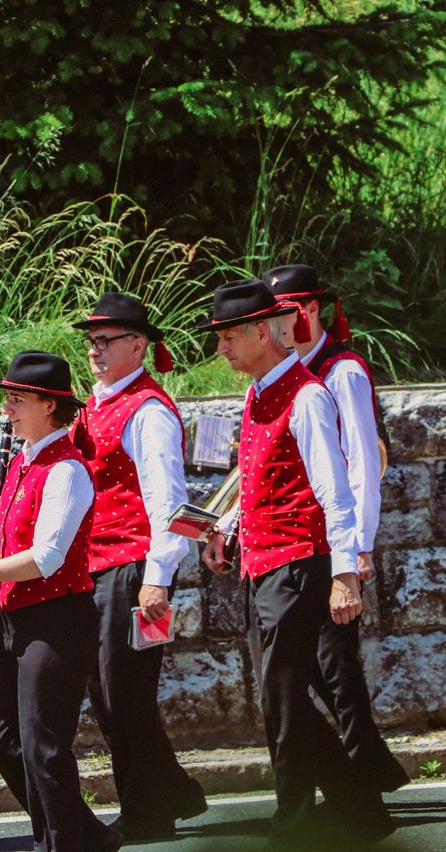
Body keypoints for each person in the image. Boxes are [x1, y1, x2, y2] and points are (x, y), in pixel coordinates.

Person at [198, 280, 393, 843]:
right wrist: (227, 530)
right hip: (265, 564)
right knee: (277, 696)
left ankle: (294, 820)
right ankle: (363, 808)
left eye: (230, 336)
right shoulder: (259, 392)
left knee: (282, 700)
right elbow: (258, 482)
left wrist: (345, 574)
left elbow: (336, 492)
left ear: (263, 332)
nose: (222, 349)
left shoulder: (307, 396)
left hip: (299, 563)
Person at [0, 350, 121, 852]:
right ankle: (88, 835)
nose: (8, 410)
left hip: (58, 621)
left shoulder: (67, 470)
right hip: (16, 617)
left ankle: (63, 844)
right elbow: (6, 542)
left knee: (44, 748)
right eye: (8, 399)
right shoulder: (22, 461)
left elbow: (45, 557)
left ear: (49, 405)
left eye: (17, 400)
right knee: (5, 742)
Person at [263, 263, 409, 793]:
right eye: (273, 317)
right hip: (298, 543)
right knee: (318, 666)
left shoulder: (340, 370)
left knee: (335, 663)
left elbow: (364, 464)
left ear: (312, 310)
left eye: (289, 314)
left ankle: (363, 780)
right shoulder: (280, 377)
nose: (281, 326)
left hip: (334, 540)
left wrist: (360, 546)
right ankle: (370, 768)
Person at [71, 293, 207, 842]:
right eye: (92, 342)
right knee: (109, 692)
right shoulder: (100, 401)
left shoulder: (148, 411)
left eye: (107, 341)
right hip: (98, 566)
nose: (96, 351)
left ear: (138, 345)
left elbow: (169, 502)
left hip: (131, 567)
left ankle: (150, 810)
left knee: (122, 691)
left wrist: (158, 577)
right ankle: (170, 792)